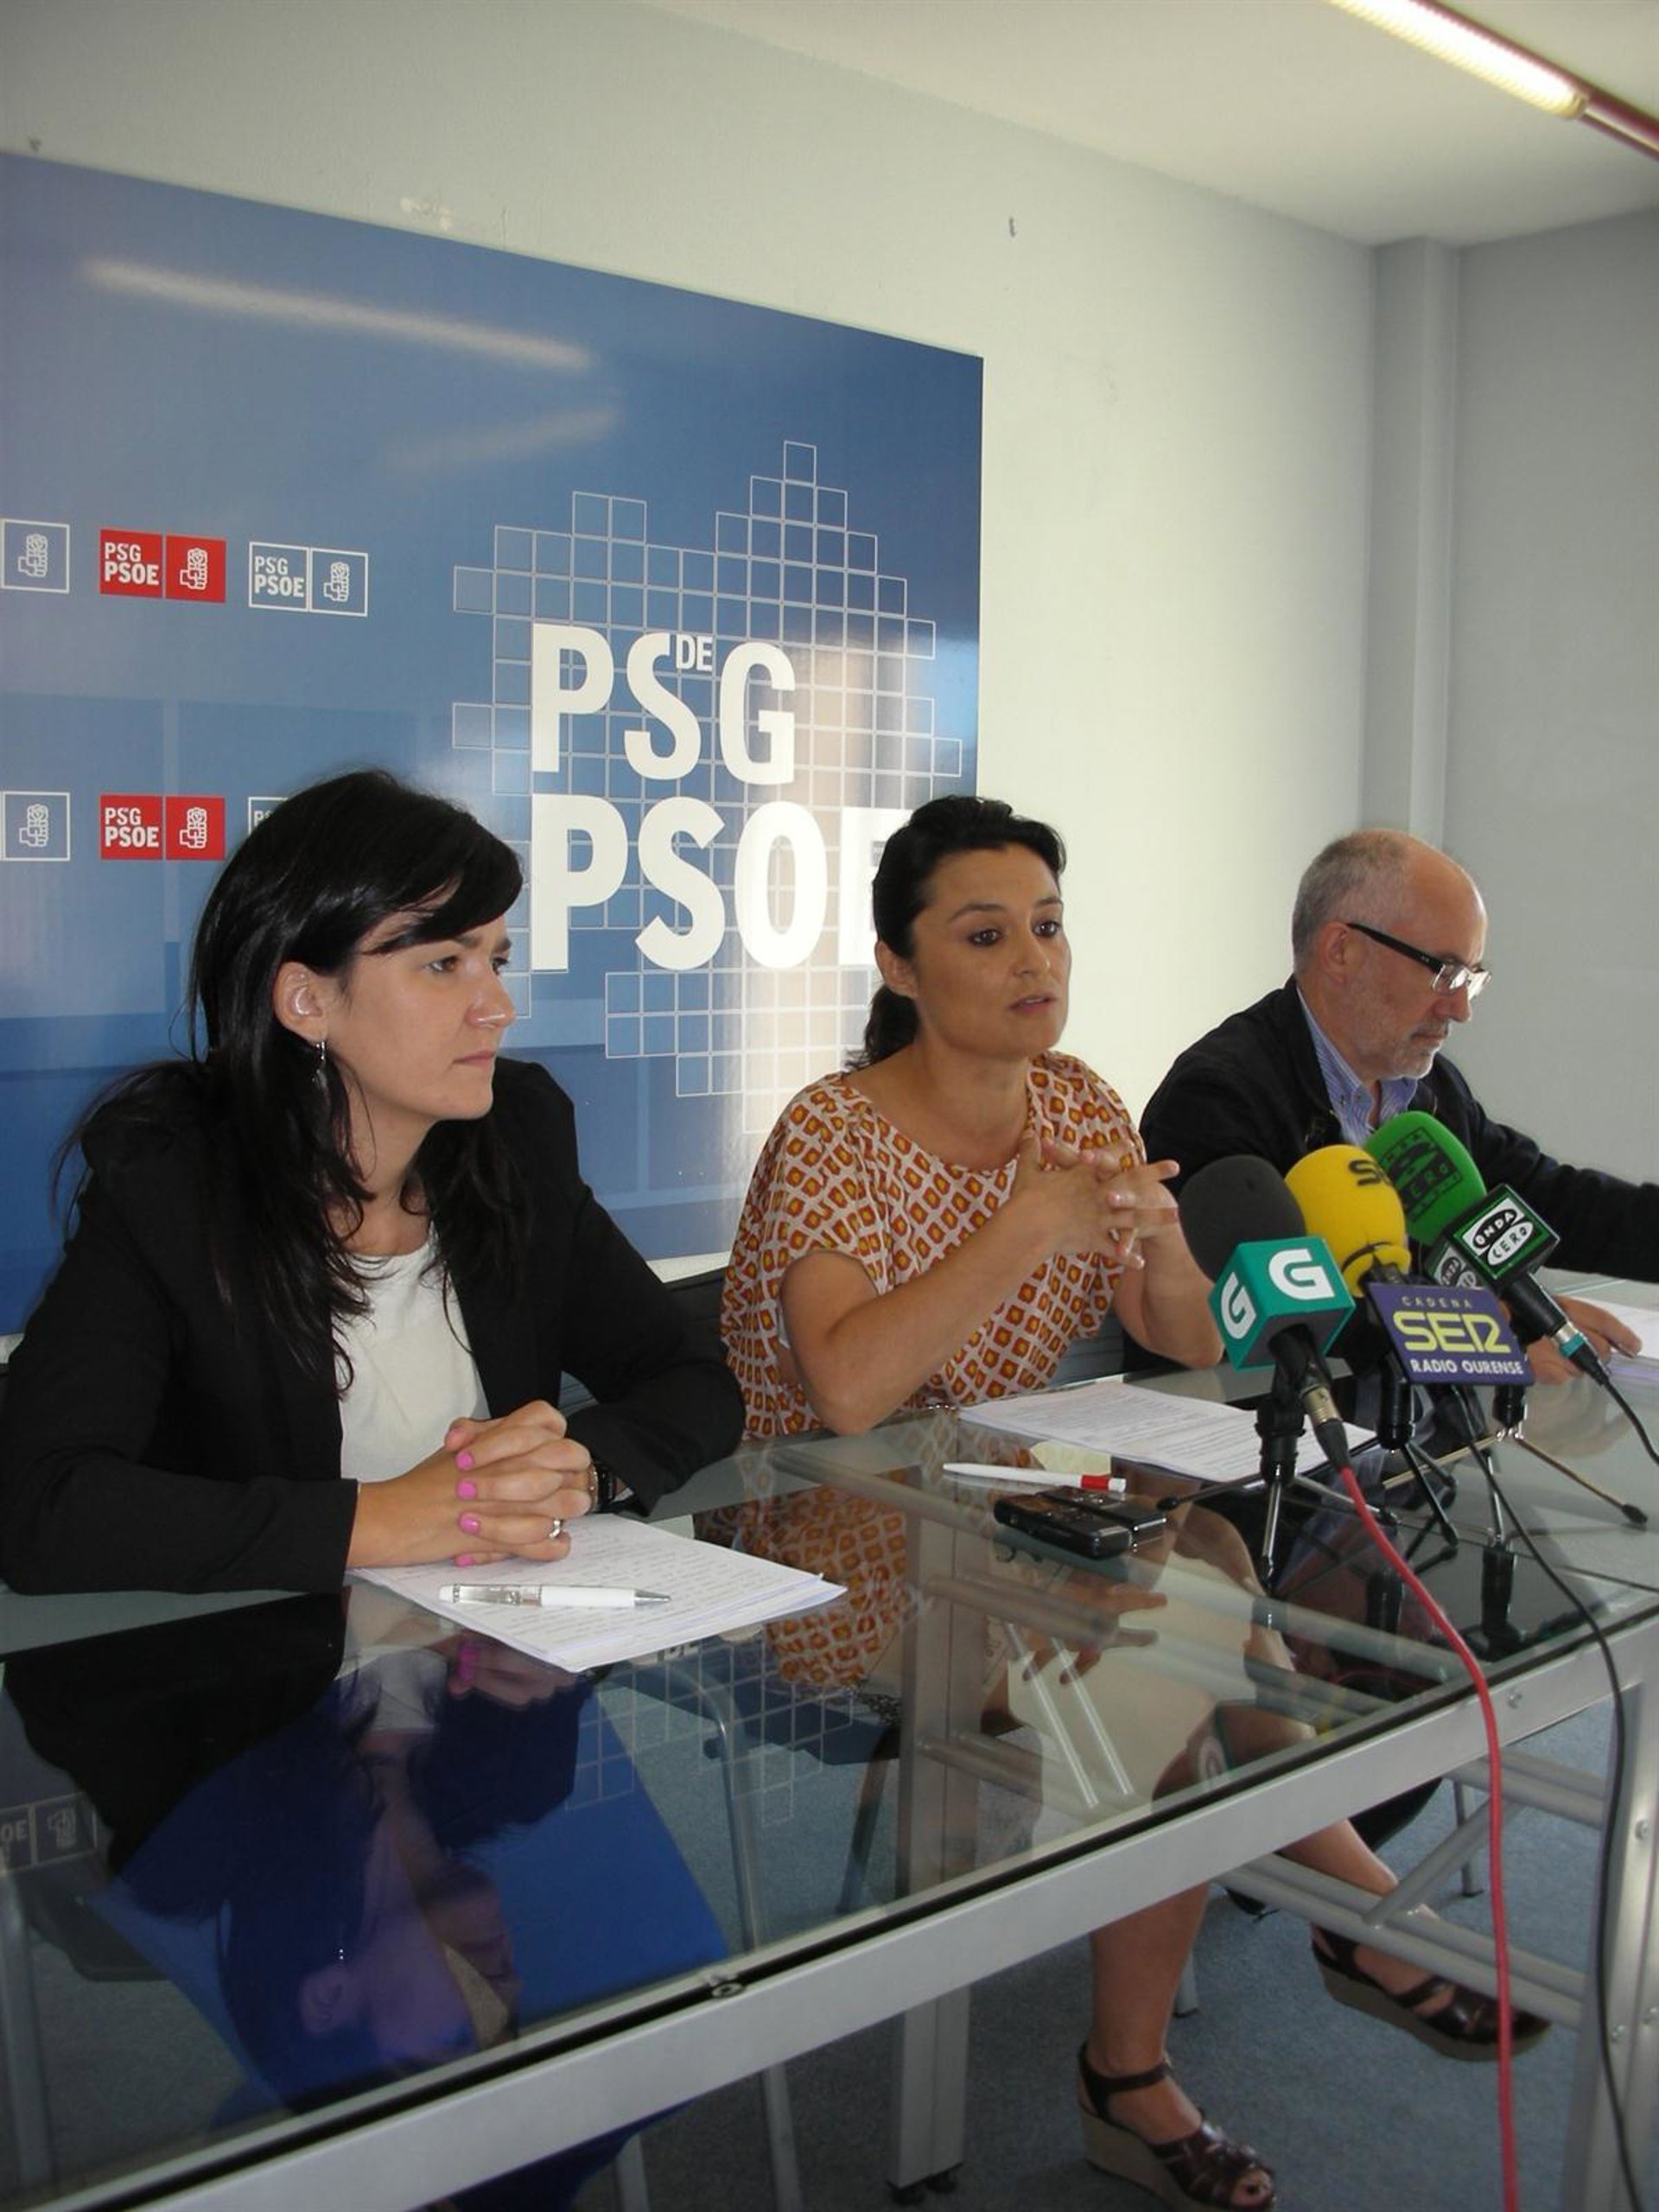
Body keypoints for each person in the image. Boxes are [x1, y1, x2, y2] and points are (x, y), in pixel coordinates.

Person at [721, 795, 1545, 2212]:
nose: (1035, 959)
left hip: (1013, 1506)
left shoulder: (1079, 1102)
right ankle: (1305, 1935)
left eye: (1048, 927)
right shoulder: (830, 1131)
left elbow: (1178, 1330)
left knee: (1201, 1557)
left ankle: (1181, 2035)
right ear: (900, 965)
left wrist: (1161, 1249)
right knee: (1184, 1615)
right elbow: (846, 1391)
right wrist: (1025, 1229)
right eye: (987, 935)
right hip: (830, 1544)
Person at [0, 769, 742, 1595]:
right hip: (258, 1663)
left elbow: (693, 1380)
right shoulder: (174, 1181)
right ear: (306, 1001)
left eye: (496, 961)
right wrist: (382, 1520)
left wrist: (579, 1474)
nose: (497, 1006)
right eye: (444, 964)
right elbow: (40, 1505)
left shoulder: (517, 1144)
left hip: (494, 1650)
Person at [1140, 827, 1657, 1381]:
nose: (1460, 1010)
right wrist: (1490, 1335)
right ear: (1342, 951)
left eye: (1471, 978)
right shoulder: (1218, 1095)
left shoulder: (1431, 1095)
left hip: (1406, 1427)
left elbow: (1552, 1199)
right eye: (1445, 972)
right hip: (1261, 1423)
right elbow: (1276, 1317)